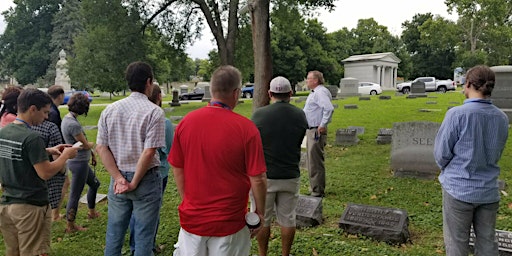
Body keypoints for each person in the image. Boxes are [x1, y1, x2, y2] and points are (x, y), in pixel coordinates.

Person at [168, 65, 267, 255]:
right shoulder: (246, 129)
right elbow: (258, 178)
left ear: (212, 90)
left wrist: (186, 199)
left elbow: (177, 167)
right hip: (229, 222)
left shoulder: (186, 123)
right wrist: (260, 213)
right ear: (237, 93)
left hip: (192, 220)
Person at [434, 65, 509, 256]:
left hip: (458, 189)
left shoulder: (457, 115)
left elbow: (441, 154)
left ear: (468, 84)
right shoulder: (501, 118)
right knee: (487, 244)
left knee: (457, 245)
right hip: (488, 189)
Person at [96, 61, 165, 256]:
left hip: (117, 178)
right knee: (144, 235)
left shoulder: (110, 110)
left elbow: (101, 147)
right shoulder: (154, 112)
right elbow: (149, 151)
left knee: (114, 232)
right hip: (146, 179)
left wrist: (118, 178)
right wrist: (133, 182)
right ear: (149, 82)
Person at [0, 88, 78, 256]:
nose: (46, 117)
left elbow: (18, 154)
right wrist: (65, 156)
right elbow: (46, 173)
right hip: (30, 207)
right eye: (44, 112)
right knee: (33, 252)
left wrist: (47, 151)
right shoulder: (32, 137)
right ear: (32, 109)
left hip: (7, 205)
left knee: (13, 251)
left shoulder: (4, 132)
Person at [252, 76, 308, 256]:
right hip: (290, 174)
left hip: (265, 176)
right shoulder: (300, 114)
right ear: (290, 93)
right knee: (288, 219)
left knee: (263, 219)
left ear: (270, 93)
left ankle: (263, 254)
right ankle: (285, 254)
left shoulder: (259, 115)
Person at [129, 84, 173, 254]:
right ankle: (148, 246)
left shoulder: (137, 116)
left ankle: (135, 246)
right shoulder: (164, 121)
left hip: (133, 169)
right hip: (157, 172)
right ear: (159, 97)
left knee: (135, 211)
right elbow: (169, 149)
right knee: (150, 213)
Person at [61, 93, 101, 233]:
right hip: (78, 163)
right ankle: (70, 226)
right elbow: (83, 144)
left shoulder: (69, 119)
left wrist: (92, 154)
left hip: (81, 161)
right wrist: (92, 145)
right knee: (75, 194)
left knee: (95, 184)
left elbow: (80, 143)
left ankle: (92, 212)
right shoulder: (72, 124)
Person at [303, 70, 334, 197]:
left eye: (309, 78)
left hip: (316, 130)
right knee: (312, 160)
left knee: (315, 161)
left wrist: (322, 124)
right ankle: (314, 187)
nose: (307, 80)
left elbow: (329, 108)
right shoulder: (315, 92)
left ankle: (317, 190)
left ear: (315, 80)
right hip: (311, 129)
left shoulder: (320, 92)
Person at [31, 119, 68, 221]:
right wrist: (64, 160)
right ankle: (54, 214)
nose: (47, 115)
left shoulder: (16, 130)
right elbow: (56, 158)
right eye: (45, 112)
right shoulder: (50, 128)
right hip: (50, 168)